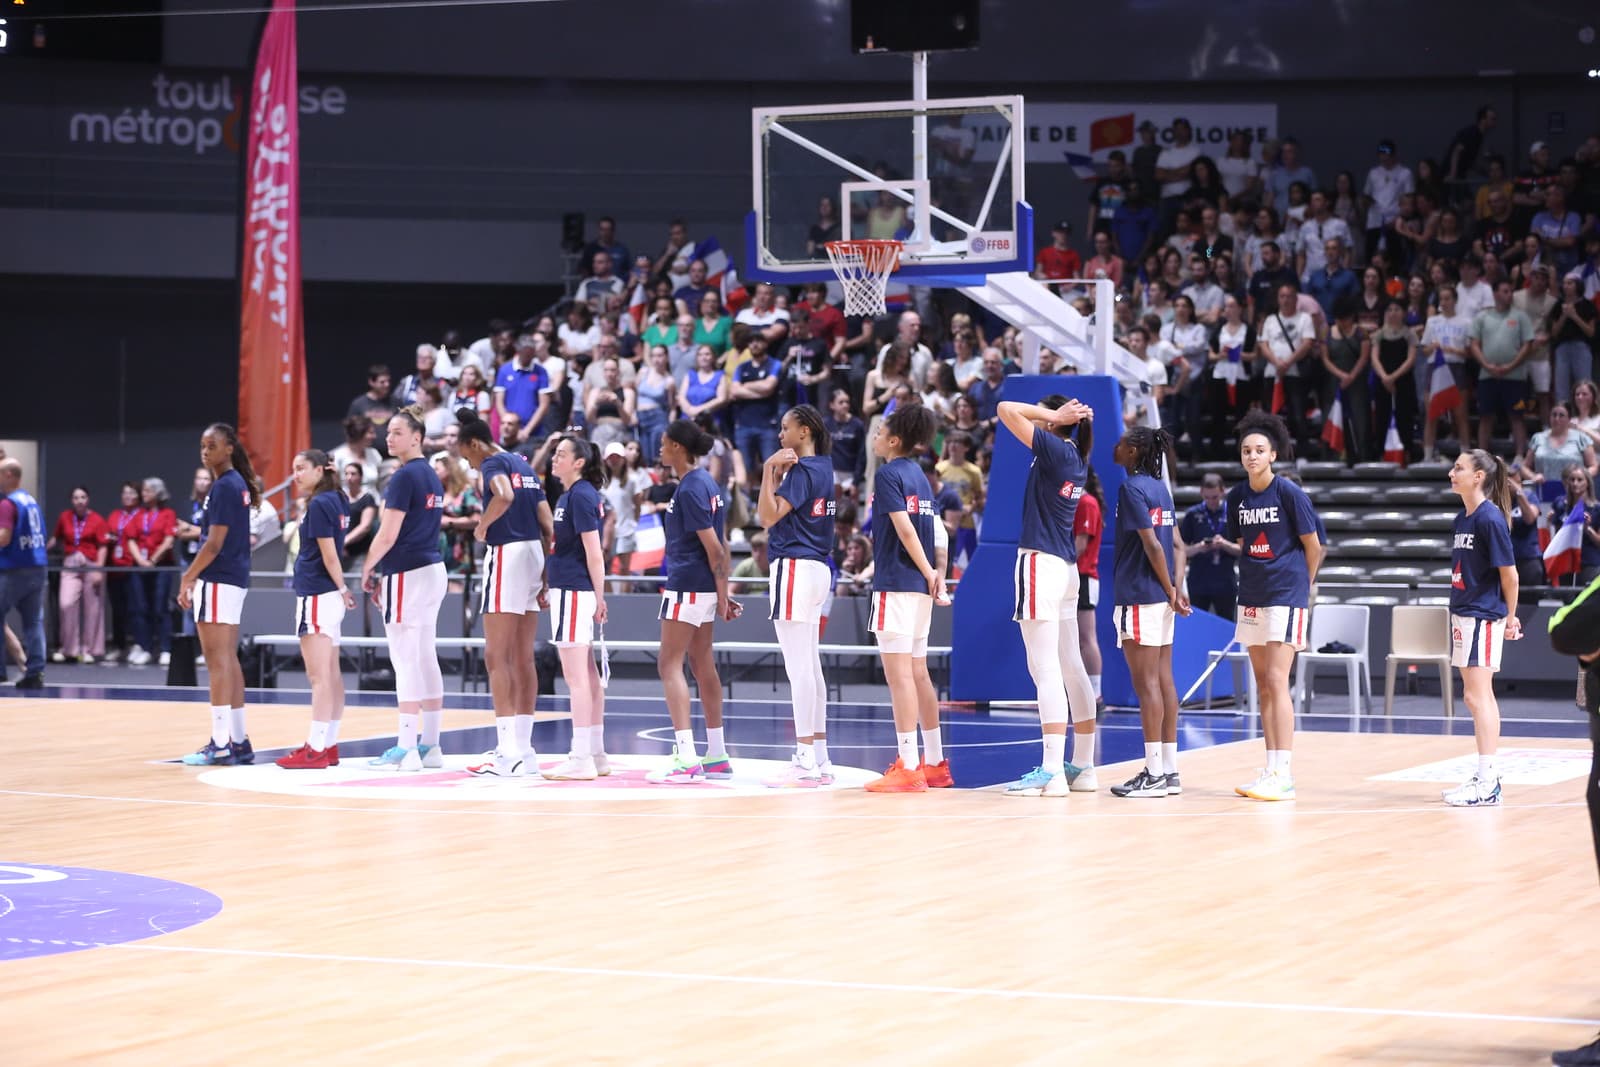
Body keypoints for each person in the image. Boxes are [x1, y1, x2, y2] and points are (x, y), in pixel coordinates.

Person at [995, 395, 1101, 797]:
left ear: (1056, 422)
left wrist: (1052, 415)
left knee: (1046, 669)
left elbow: (1006, 409)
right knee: (1070, 665)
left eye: (1044, 414)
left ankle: (1052, 770)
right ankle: (1083, 766)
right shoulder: (1074, 455)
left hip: (1040, 563)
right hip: (1065, 568)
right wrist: (1056, 417)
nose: (1036, 418)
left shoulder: (1055, 449)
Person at [1227, 412, 1324, 801]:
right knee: (1263, 685)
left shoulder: (1289, 493)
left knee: (1277, 681)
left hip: (1285, 594)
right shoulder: (1237, 497)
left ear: (1273, 455)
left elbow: (1314, 546)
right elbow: (1244, 543)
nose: (1252, 456)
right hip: (1250, 594)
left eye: (1259, 450)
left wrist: (1304, 584)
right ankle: (1270, 768)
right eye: (1247, 451)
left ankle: (1284, 771)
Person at [454, 411, 555, 778]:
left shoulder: (493, 462)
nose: (469, 463)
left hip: (508, 553)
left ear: (475, 445)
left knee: (496, 656)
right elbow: (547, 522)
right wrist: (545, 573)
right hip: (533, 553)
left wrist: (482, 526)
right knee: (523, 657)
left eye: (467, 456)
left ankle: (505, 750)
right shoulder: (524, 464)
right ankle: (524, 750)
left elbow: (503, 495)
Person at [863, 405, 950, 793]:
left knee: (899, 677)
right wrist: (937, 574)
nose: (876, 436)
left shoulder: (888, 475)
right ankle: (934, 763)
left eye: (880, 431)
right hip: (920, 589)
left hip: (898, 582)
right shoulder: (921, 477)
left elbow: (906, 532)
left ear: (894, 440)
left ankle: (909, 767)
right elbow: (937, 534)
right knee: (919, 673)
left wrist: (931, 572)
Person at [650, 419, 738, 784]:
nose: (659, 449)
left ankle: (686, 757)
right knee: (703, 664)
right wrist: (721, 595)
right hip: (701, 587)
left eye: (664, 443)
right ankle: (716, 754)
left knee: (669, 663)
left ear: (678, 448)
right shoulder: (705, 483)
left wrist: (724, 596)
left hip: (687, 584)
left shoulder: (690, 488)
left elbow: (716, 548)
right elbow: (721, 546)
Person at [360, 408, 449, 772]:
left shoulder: (403, 477)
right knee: (425, 653)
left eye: (397, 432)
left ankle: (406, 747)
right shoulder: (432, 475)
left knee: (404, 657)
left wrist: (368, 567)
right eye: (388, 432)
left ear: (417, 437)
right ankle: (431, 744)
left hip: (407, 572)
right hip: (433, 569)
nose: (389, 438)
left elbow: (387, 533)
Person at [1106, 428, 1192, 798]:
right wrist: (1175, 589)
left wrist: (1171, 589)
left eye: (1122, 442)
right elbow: (1179, 546)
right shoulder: (1161, 489)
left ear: (1135, 450)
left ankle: (1153, 773)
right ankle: (1169, 770)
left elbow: (1155, 545)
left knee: (1147, 687)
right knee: (1164, 680)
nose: (1116, 447)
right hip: (1160, 597)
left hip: (1140, 594)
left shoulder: (1132, 489)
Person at [757, 404, 837, 788]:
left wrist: (767, 471)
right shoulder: (825, 468)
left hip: (794, 567)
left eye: (785, 428)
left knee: (798, 668)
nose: (780, 435)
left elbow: (767, 516)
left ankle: (804, 756)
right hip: (819, 569)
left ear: (804, 431)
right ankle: (819, 754)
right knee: (811, 665)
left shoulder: (802, 471)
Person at [175, 424, 262, 764]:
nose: (205, 450)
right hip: (233, 579)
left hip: (219, 578)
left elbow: (213, 543)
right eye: (202, 445)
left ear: (229, 448)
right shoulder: (233, 484)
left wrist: (188, 576)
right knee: (228, 659)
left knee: (217, 662)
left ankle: (221, 742)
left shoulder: (225, 486)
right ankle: (238, 740)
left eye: (212, 445)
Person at [1441, 450, 1523, 806]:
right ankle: (1484, 776)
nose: (1451, 472)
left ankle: (1488, 781)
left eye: (1458, 467)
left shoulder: (1490, 519)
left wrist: (1511, 616)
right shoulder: (1463, 518)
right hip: (1463, 612)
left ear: (1478, 477)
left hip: (1483, 615)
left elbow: (1511, 575)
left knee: (1479, 695)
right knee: (1473, 696)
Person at [275, 450, 354, 770]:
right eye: (294, 469)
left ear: (321, 469)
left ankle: (316, 747)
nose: (296, 475)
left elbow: (330, 555)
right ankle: (329, 744)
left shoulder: (321, 503)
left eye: (302, 468)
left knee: (318, 677)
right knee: (332, 676)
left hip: (317, 594)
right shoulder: (337, 498)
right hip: (328, 596)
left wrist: (345, 587)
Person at [542, 434, 611, 780]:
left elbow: (594, 551)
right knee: (589, 676)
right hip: (573, 591)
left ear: (579, 462)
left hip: (573, 591)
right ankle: (596, 754)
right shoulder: (574, 496)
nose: (555, 458)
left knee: (575, 678)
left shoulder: (580, 496)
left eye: (561, 454)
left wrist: (599, 596)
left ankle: (580, 756)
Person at [0, 458, 48, 689]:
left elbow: (4, 537)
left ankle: (0, 672)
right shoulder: (30, 500)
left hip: (14, 568)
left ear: (9, 475)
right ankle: (35, 672)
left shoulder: (8, 504)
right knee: (33, 621)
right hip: (37, 567)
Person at [48, 487, 107, 664]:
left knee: (93, 608)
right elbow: (56, 538)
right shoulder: (65, 517)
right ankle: (68, 649)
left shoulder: (97, 519)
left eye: (83, 497)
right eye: (76, 497)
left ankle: (89, 649)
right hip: (70, 564)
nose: (79, 500)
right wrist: (40, 552)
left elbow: (103, 545)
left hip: (91, 564)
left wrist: (99, 568)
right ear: (71, 500)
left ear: (88, 499)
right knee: (66, 604)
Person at [126, 477, 178, 668]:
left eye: (148, 491)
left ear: (157, 493)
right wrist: (141, 560)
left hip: (161, 566)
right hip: (139, 567)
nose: (143, 494)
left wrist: (153, 560)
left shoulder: (168, 514)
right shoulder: (138, 514)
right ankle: (145, 647)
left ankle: (165, 648)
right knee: (140, 608)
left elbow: (169, 540)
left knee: (160, 607)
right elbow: (130, 538)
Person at [1182, 473, 1240, 620]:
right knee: (1197, 625)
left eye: (1215, 497)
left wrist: (1224, 544)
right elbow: (1182, 551)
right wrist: (1199, 547)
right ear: (1201, 493)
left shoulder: (1233, 514)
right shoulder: (1193, 515)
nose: (1211, 501)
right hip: (1198, 582)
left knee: (1227, 626)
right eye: (1206, 497)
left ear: (1223, 491)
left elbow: (1243, 550)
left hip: (1225, 582)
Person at [1371, 299, 1419, 462]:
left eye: (1397, 309)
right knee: (1382, 416)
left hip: (1403, 382)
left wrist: (1393, 377)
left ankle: (1406, 453)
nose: (1393, 313)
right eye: (1389, 310)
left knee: (1404, 416)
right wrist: (1385, 377)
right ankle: (1382, 453)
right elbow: (1374, 358)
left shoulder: (1409, 334)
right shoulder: (1378, 335)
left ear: (1403, 313)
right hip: (1383, 382)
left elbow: (1411, 359)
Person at [1074, 465, 1106, 712]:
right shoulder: (1075, 501)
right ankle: (1079, 693)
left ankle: (1096, 695)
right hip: (1074, 576)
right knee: (1074, 639)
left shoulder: (1087, 503)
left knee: (1087, 638)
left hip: (1083, 576)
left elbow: (1080, 545)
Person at [103, 481, 142, 664]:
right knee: (117, 611)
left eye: (131, 493)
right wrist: (109, 538)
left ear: (138, 496)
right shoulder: (115, 515)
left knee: (134, 609)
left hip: (132, 567)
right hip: (114, 568)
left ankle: (137, 644)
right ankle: (119, 646)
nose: (127, 496)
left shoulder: (142, 515)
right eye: (125, 493)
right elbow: (107, 533)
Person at [1551, 465, 1600, 586]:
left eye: (1579, 480)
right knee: (1567, 601)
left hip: (1588, 561)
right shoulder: (1560, 505)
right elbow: (1557, 536)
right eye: (1572, 480)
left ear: (1587, 483)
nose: (1575, 483)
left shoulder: (1597, 509)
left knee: (1586, 602)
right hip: (1566, 561)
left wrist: (1588, 528)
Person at [339, 462, 378, 562]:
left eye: (353, 474)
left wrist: (344, 541)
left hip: (359, 553)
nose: (349, 477)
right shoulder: (340, 498)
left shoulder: (367, 499)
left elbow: (365, 526)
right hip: (339, 552)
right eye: (346, 474)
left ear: (360, 477)